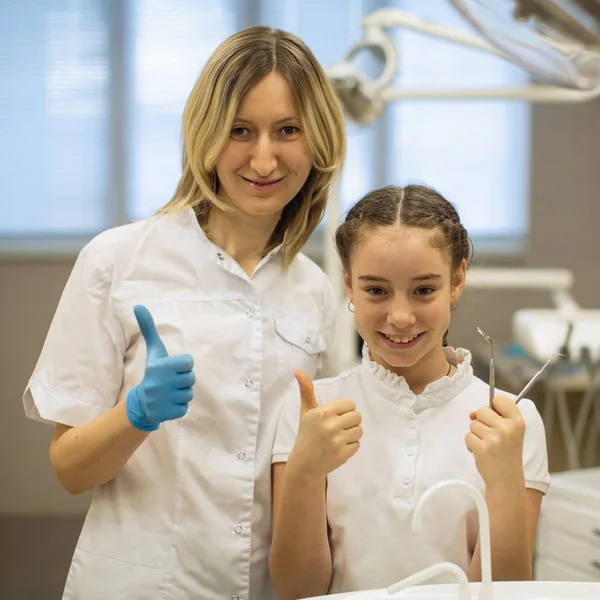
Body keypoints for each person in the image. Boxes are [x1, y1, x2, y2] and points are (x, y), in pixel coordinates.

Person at [22, 25, 345, 600]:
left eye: (287, 131)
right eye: (240, 131)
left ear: (316, 142)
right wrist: (135, 415)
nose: (264, 158)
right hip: (137, 583)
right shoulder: (117, 260)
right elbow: (70, 471)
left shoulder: (317, 292)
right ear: (205, 135)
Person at [269, 185, 550, 599]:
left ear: (456, 281)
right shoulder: (310, 413)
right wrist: (304, 473)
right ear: (348, 284)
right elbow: (297, 589)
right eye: (376, 290)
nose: (400, 317)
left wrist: (506, 481)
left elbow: (505, 594)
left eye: (423, 290)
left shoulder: (512, 421)